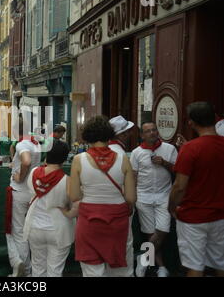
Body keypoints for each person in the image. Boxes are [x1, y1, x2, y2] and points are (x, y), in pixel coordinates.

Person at [68, 116, 136, 277]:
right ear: (110, 135)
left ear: (87, 136)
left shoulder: (79, 159)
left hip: (89, 220)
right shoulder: (123, 158)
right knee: (118, 268)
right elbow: (131, 198)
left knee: (92, 270)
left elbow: (74, 195)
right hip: (117, 220)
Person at [169, 102, 224, 277]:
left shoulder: (190, 149)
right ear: (215, 119)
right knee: (220, 262)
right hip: (220, 215)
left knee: (194, 265)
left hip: (193, 216)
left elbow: (179, 186)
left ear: (191, 123)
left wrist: (171, 207)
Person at [130, 121, 177, 277]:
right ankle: (161, 267)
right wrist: (133, 198)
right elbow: (134, 177)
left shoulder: (169, 149)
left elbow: (178, 170)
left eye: (154, 130)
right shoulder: (136, 153)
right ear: (142, 135)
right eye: (148, 131)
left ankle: (143, 259)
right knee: (150, 233)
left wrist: (164, 163)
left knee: (163, 230)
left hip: (164, 195)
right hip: (143, 197)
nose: (152, 133)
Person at [24, 140, 77, 277]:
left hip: (35, 226)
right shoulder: (67, 180)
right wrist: (69, 213)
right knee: (55, 270)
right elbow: (77, 207)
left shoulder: (33, 172)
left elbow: (30, 194)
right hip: (58, 229)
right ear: (65, 158)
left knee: (37, 268)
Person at [5, 117, 41, 277]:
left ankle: (23, 267)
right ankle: (26, 267)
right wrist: (16, 164)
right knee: (27, 230)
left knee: (17, 231)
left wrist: (19, 176)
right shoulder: (36, 143)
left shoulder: (22, 144)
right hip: (32, 192)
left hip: (19, 191)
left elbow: (26, 161)